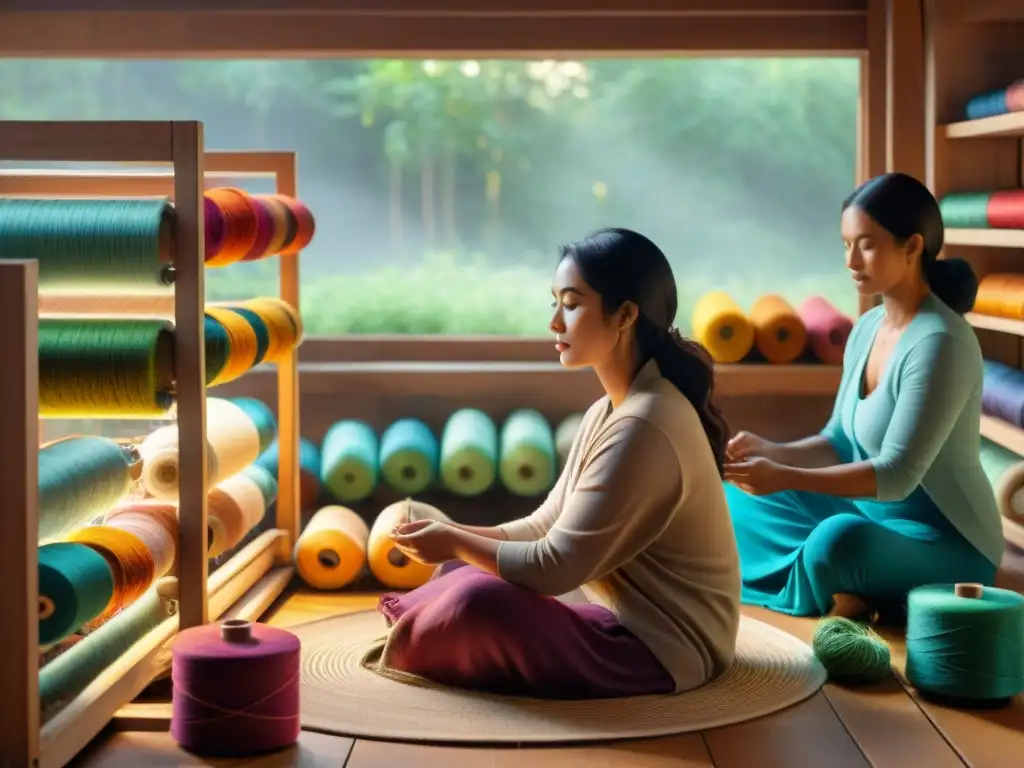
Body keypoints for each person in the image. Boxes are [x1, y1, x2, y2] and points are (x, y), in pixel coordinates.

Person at [378, 227, 742, 699]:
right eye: (555, 302)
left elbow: (554, 568)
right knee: (460, 575)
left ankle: (428, 634)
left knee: (477, 602)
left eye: (570, 304)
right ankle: (429, 631)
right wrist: (456, 538)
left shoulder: (646, 424)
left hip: (666, 650)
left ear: (625, 315)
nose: (554, 321)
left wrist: (455, 540)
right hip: (622, 625)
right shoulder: (611, 409)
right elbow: (545, 525)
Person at [724, 172, 1004, 621]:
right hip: (873, 518)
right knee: (736, 496)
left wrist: (785, 474)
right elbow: (837, 440)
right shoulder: (869, 328)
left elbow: (895, 476)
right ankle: (847, 590)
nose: (851, 259)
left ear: (912, 247)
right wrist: (771, 453)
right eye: (846, 244)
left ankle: (841, 582)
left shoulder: (940, 342)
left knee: (836, 541)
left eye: (867, 244)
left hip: (947, 546)